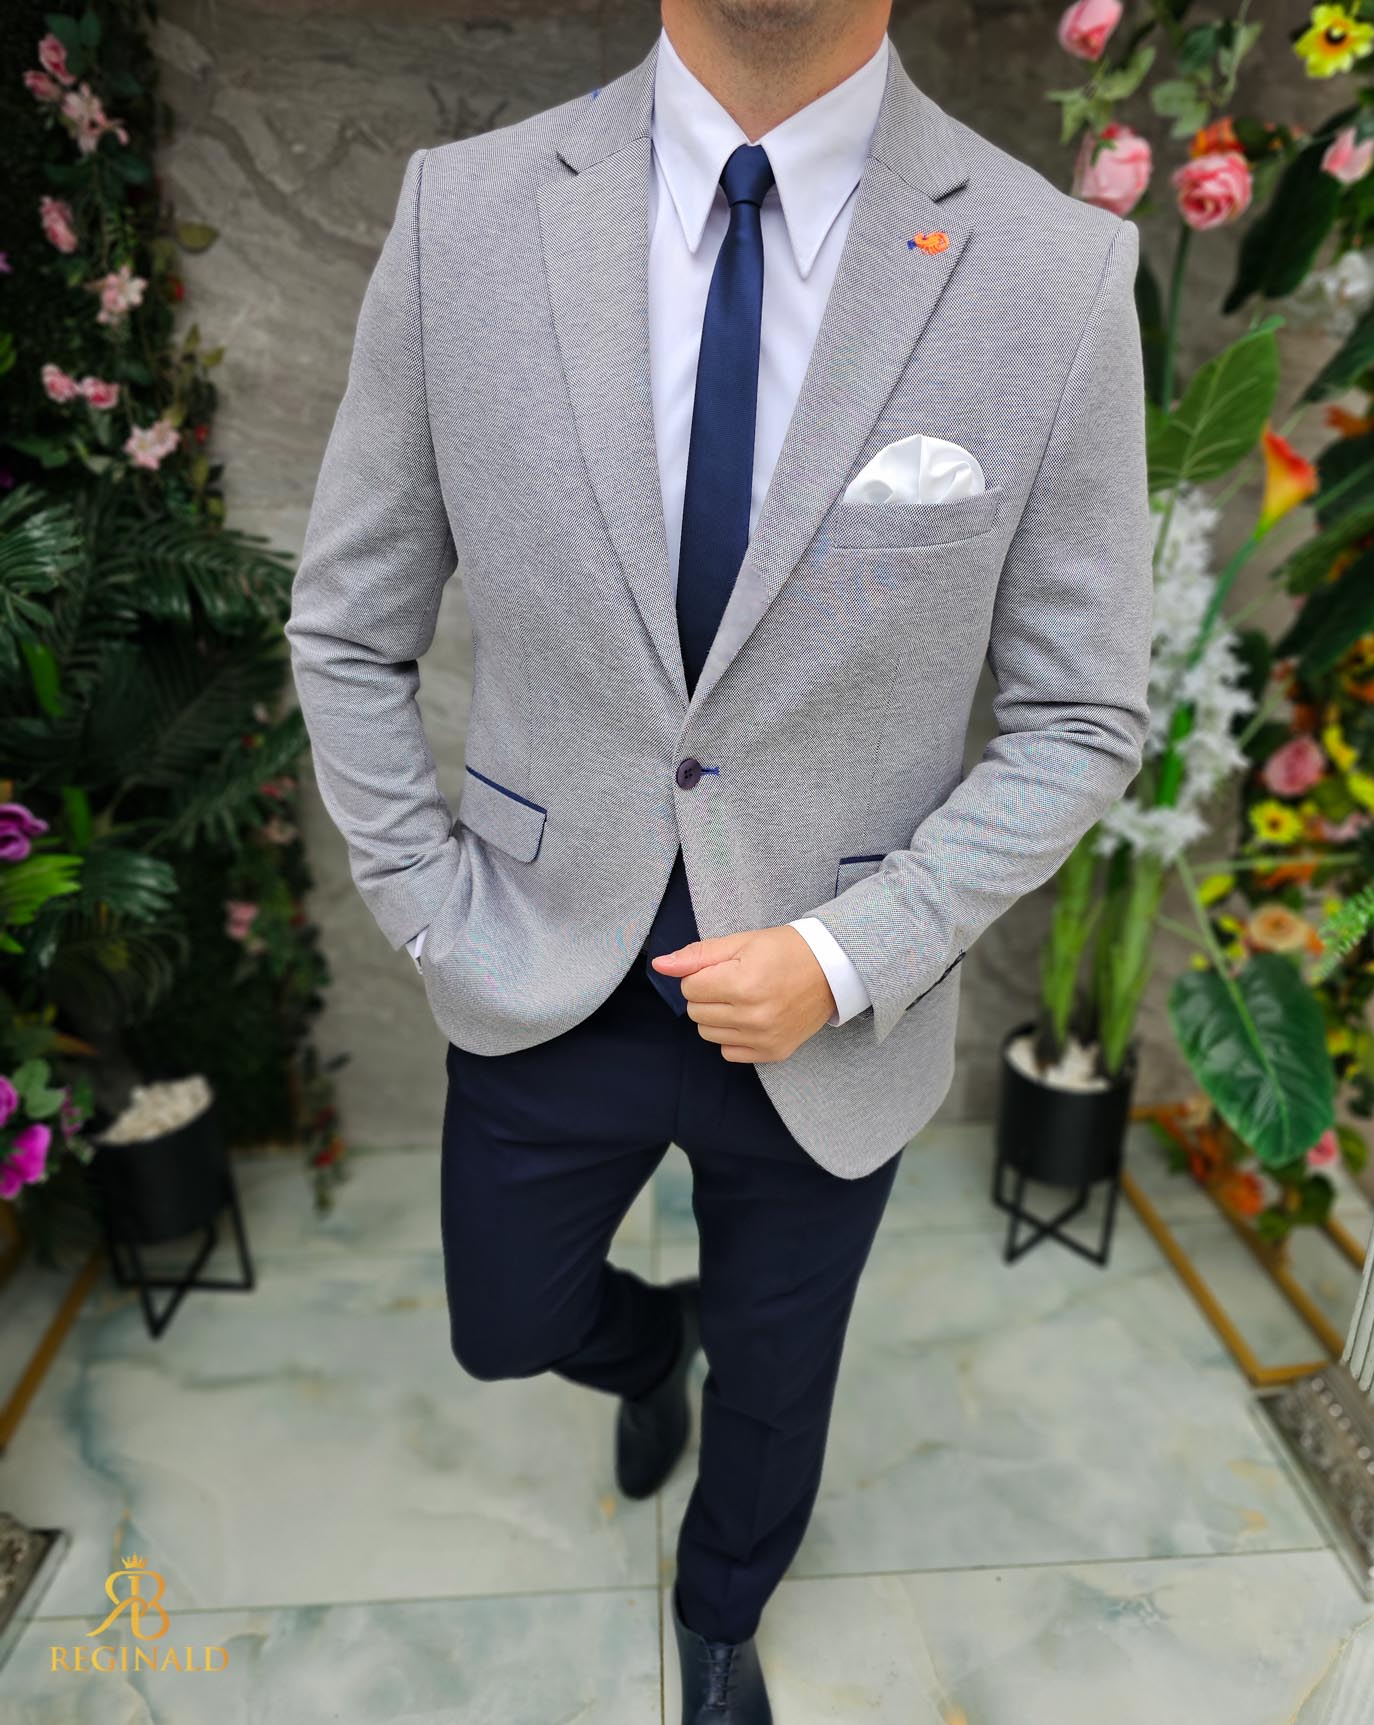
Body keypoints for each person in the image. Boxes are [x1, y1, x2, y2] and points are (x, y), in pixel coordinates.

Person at [285, 2, 1153, 1716]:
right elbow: (346, 626)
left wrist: (849, 952)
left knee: (779, 1376)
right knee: (507, 1321)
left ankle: (721, 1617)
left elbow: (1080, 716)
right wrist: (431, 908)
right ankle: (640, 1345)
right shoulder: (464, 215)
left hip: (836, 1005)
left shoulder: (1054, 271)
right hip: (538, 949)